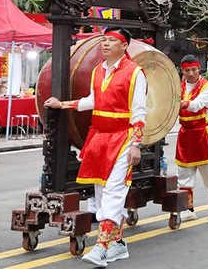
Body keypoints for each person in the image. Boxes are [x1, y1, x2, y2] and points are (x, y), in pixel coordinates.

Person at [43, 27, 146, 266]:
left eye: (112, 40)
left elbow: (140, 111)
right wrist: (63, 104)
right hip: (99, 137)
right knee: (101, 192)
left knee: (113, 191)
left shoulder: (135, 73)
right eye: (104, 40)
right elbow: (93, 100)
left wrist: (136, 145)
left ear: (124, 46)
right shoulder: (98, 70)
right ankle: (118, 245)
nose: (106, 44)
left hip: (122, 138)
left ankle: (101, 246)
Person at [175, 55, 208, 222]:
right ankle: (188, 208)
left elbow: (196, 105)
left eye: (194, 69)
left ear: (199, 69)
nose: (191, 73)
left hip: (203, 132)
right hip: (185, 134)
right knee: (184, 173)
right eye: (187, 70)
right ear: (182, 71)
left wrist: (178, 103)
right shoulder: (177, 87)